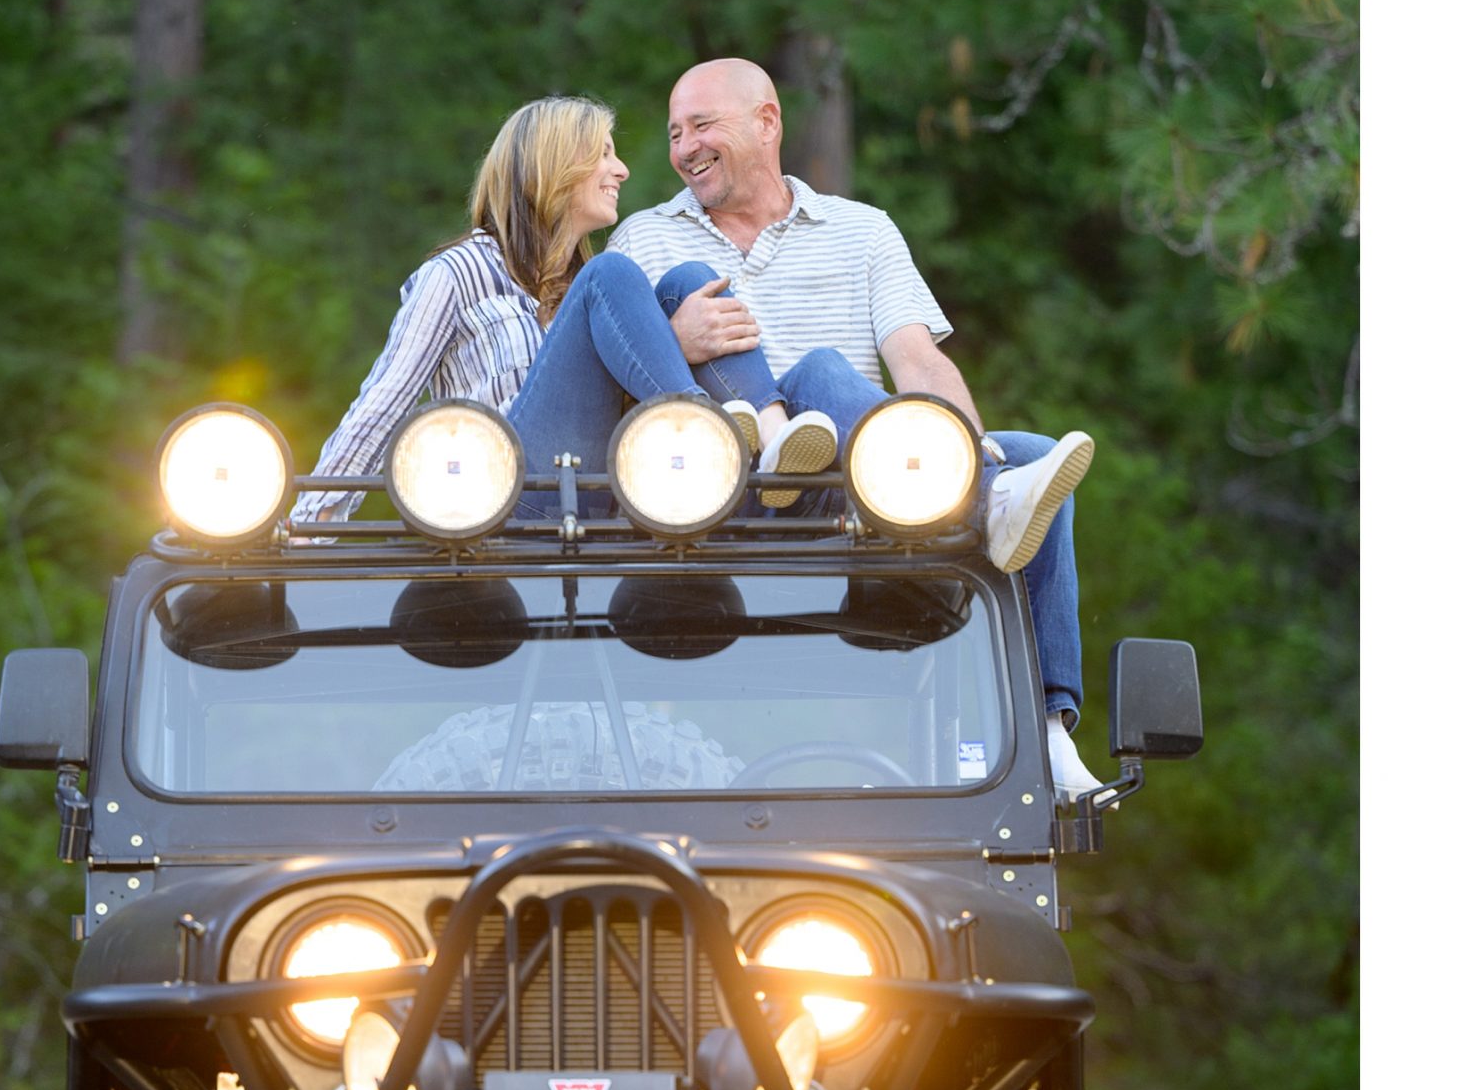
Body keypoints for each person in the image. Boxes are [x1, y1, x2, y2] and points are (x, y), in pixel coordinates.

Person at [609, 57, 1100, 798]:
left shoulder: (861, 230)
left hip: (861, 482)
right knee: (821, 372)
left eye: (702, 125)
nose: (683, 148)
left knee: (1033, 459)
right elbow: (624, 386)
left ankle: (1048, 733)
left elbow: (919, 364)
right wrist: (675, 341)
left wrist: (968, 453)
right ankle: (982, 500)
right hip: (729, 486)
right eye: (675, 132)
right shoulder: (643, 241)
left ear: (766, 121)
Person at [295, 94, 853, 526]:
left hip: (615, 502)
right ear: (556, 165)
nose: (623, 169)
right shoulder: (457, 275)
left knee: (810, 364)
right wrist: (306, 527)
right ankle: (701, 431)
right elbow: (381, 404)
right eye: (605, 153)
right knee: (609, 275)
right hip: (514, 502)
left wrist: (661, 347)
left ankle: (923, 500)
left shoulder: (589, 295)